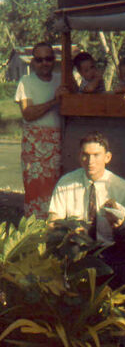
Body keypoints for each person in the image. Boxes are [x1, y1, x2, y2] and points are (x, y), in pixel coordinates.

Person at [48, 131, 125, 284]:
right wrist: (68, 232)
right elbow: (53, 221)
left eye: (96, 155)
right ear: (79, 156)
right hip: (75, 248)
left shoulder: (122, 187)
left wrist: (118, 227)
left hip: (109, 249)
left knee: (120, 268)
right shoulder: (66, 182)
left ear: (107, 157)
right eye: (85, 155)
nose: (90, 161)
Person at [14, 42, 67, 219]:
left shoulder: (62, 79)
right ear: (32, 62)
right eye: (39, 59)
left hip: (60, 144)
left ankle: (57, 233)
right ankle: (36, 236)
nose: (44, 63)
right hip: (35, 147)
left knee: (59, 191)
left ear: (54, 61)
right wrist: (54, 101)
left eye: (48, 59)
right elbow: (28, 113)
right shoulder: (26, 82)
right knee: (36, 192)